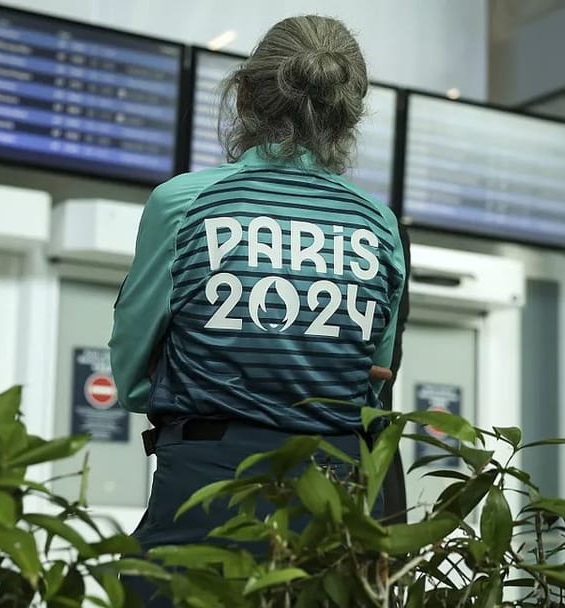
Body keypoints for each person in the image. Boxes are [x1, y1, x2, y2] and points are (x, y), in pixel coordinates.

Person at [109, 14, 407, 601]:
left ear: (245, 96)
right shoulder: (378, 225)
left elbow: (131, 377)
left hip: (204, 487)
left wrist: (190, 380)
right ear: (351, 113)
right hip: (333, 497)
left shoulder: (184, 203)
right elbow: (373, 383)